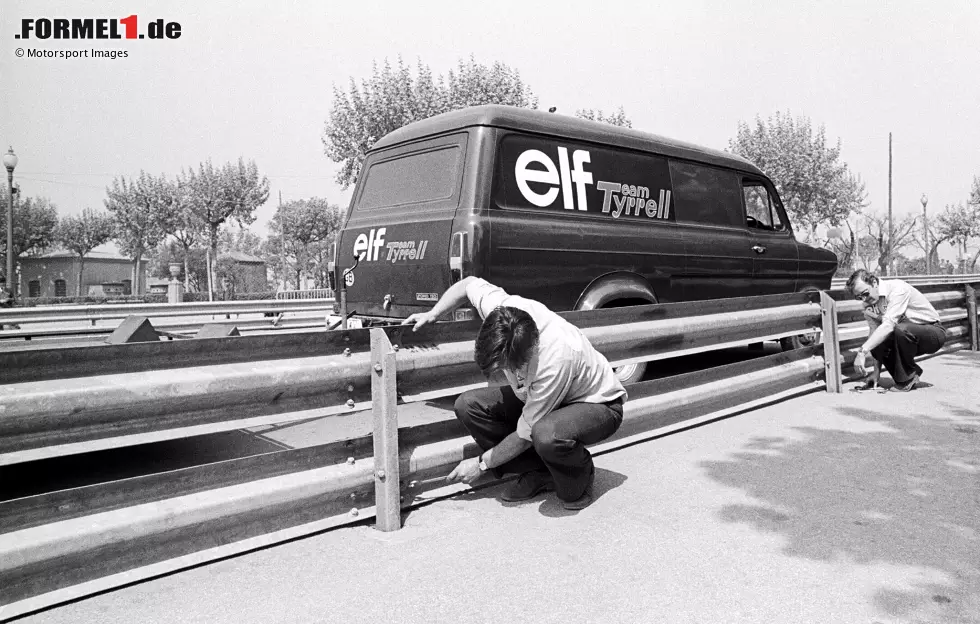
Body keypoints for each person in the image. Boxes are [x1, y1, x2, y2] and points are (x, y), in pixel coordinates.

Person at [402, 276, 627, 510]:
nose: (502, 374)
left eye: (506, 368)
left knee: (547, 436)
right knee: (468, 405)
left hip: (596, 405)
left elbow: (524, 434)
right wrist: (433, 314)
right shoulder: (502, 312)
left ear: (527, 353)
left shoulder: (555, 358)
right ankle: (540, 472)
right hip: (541, 399)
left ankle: (579, 474)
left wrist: (481, 465)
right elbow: (468, 284)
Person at [846, 269, 946, 392]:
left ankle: (907, 378)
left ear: (874, 282)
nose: (864, 299)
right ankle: (909, 375)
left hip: (932, 334)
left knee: (897, 328)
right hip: (906, 336)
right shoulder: (868, 306)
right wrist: (876, 373)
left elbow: (888, 325)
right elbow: (875, 335)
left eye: (865, 293)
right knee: (876, 338)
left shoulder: (897, 288)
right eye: (859, 297)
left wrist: (861, 352)